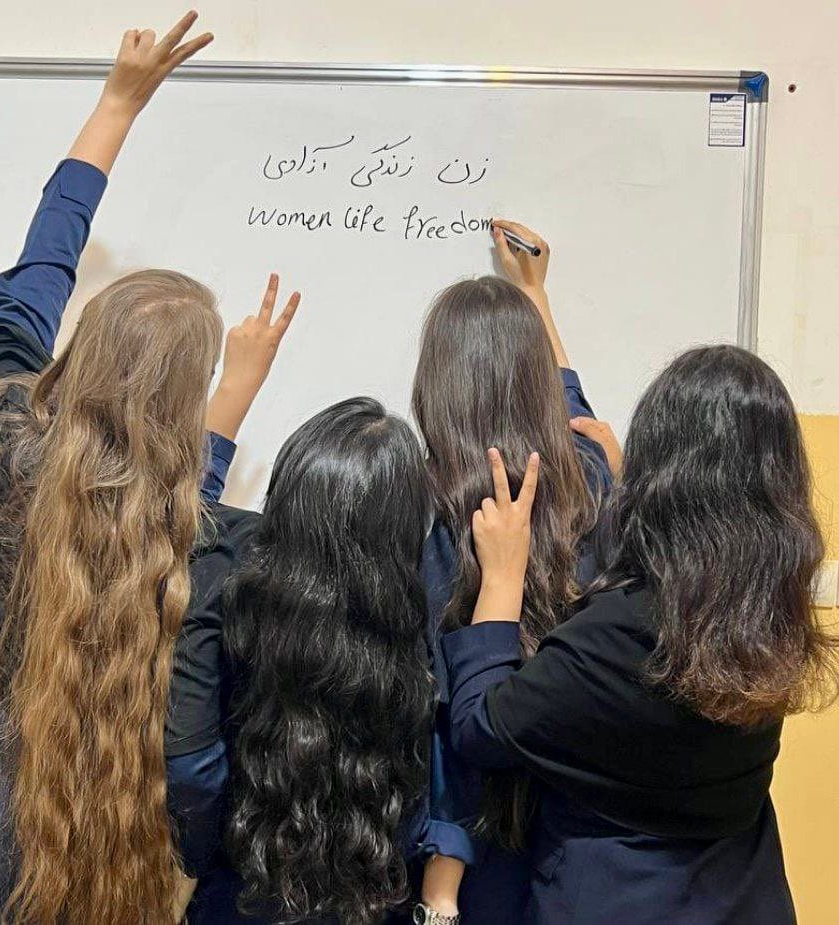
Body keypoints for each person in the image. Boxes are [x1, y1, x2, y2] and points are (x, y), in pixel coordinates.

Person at [0, 13, 301, 924]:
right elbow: (181, 504)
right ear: (179, 416)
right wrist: (235, 390)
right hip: (73, 879)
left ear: (80, 351)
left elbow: (35, 274)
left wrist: (118, 104)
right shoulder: (167, 535)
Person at [445, 346, 839, 924]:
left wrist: (502, 580)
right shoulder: (766, 614)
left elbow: (480, 726)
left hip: (616, 900)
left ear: (661, 474)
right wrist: (539, 302)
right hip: (743, 900)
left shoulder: (616, 639)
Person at [412, 221, 613, 923]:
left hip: (456, 841)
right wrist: (536, 302)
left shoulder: (421, 503)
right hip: (565, 826)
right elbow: (577, 417)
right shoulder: (587, 482)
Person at [194, 398, 435, 925]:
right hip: (368, 904)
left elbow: (179, 531)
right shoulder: (418, 646)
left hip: (236, 897)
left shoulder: (234, 612)